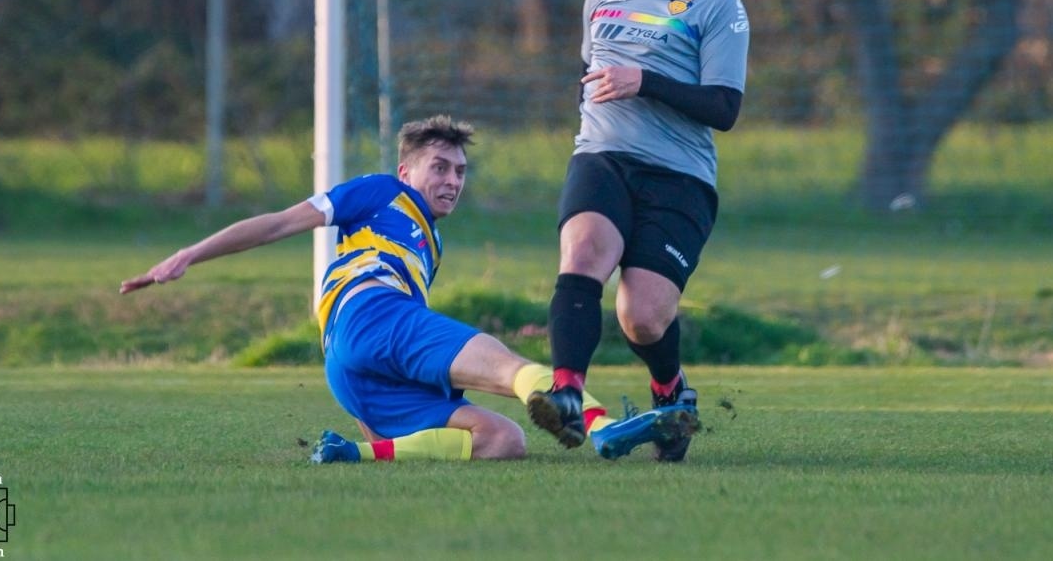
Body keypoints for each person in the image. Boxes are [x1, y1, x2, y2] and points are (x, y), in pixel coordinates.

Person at [120, 114, 688, 463]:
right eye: (439, 167)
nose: (452, 181)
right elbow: (276, 223)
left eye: (460, 172)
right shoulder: (377, 194)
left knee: (501, 439)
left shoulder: (428, 244)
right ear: (405, 171)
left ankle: (356, 455)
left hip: (349, 367)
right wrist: (191, 254)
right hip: (372, 315)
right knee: (510, 368)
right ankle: (605, 428)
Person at [529, 0, 750, 463]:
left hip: (679, 177)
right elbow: (592, 67)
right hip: (602, 157)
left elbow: (724, 109)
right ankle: (568, 394)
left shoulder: (721, 8)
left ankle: (671, 392)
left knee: (643, 316)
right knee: (582, 256)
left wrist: (643, 80)